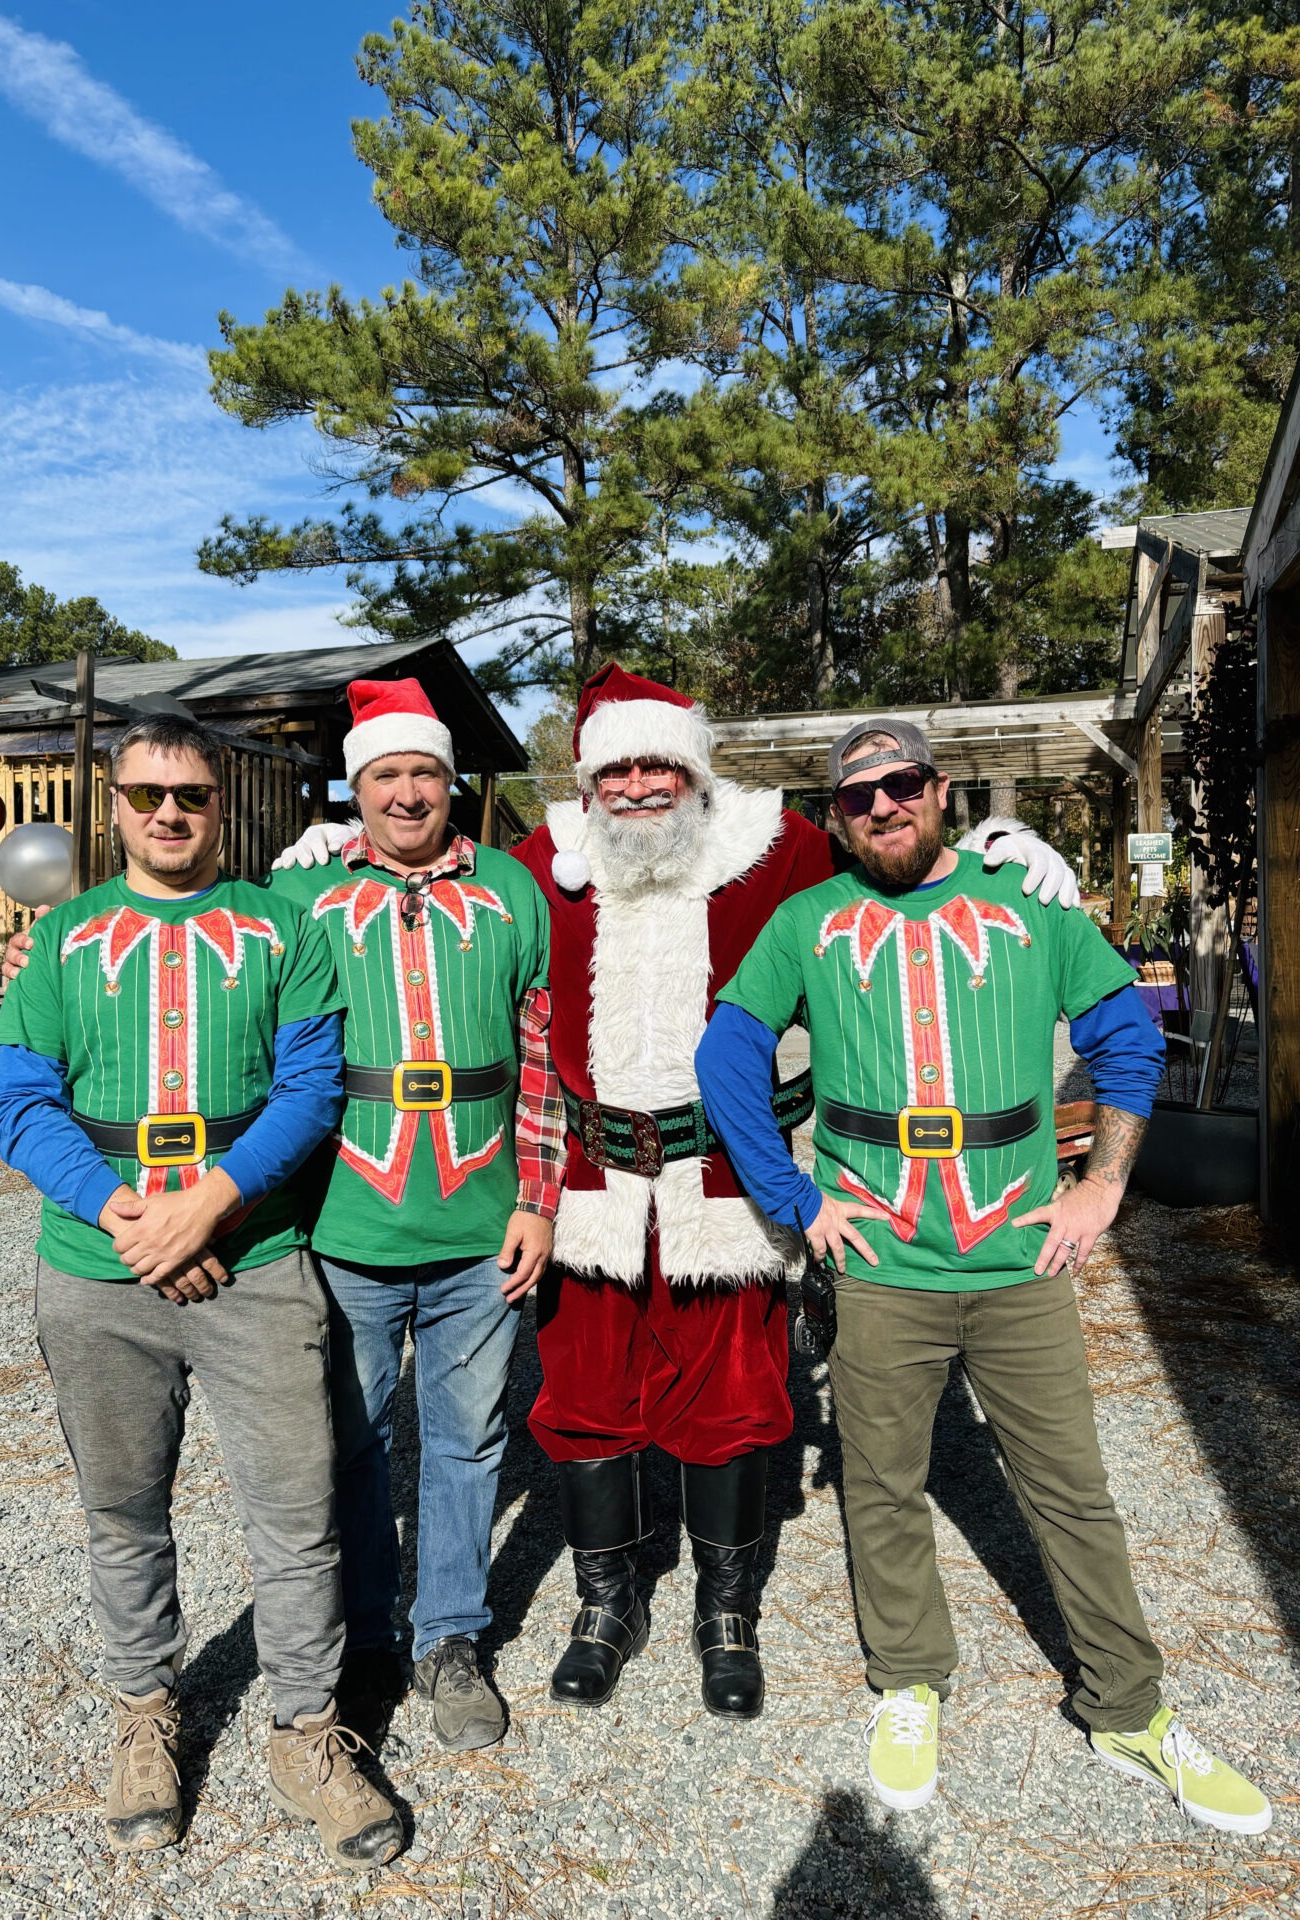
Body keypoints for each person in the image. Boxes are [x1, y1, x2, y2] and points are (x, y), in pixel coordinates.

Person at [696, 719, 1272, 1832]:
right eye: (857, 796)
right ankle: (910, 1678)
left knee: (1070, 1488)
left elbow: (1126, 1038)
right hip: (884, 1262)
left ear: (940, 788)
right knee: (883, 1479)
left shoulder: (1032, 910)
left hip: (1017, 1256)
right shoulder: (807, 922)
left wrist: (1102, 1186)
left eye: (901, 784)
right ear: (835, 817)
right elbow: (727, 1055)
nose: (882, 807)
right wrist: (799, 1201)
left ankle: (1128, 1708)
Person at [501, 666, 1079, 1720]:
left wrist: (1009, 852)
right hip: (588, 1182)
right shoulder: (538, 863)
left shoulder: (775, 849)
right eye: (616, 767)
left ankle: (726, 1616)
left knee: (731, 1400)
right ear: (589, 782)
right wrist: (325, 858)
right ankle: (607, 1604)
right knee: (586, 1399)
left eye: (657, 764)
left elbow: (895, 851)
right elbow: (432, 885)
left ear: (692, 769)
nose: (637, 786)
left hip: (724, 1179)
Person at [0, 714, 405, 1871]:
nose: (170, 813)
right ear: (112, 804)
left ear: (223, 807)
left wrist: (207, 1206)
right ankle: (144, 1718)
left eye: (193, 796)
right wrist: (124, 1214)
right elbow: (18, 1099)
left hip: (257, 1263)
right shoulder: (65, 940)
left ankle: (309, 1731)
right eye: (147, 793)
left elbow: (314, 1091)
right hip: (97, 1268)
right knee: (125, 1513)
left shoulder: (283, 930)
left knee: (294, 1511)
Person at [271, 677, 561, 1753]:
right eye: (385, 774)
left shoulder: (511, 895)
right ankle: (364, 1639)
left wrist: (537, 1199)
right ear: (359, 788)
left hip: (480, 1229)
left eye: (424, 774)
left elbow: (540, 1060)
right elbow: (242, 1032)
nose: (406, 793)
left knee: (468, 1439)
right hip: (345, 1227)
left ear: (451, 785)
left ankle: (449, 1638)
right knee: (348, 1439)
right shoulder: (300, 899)